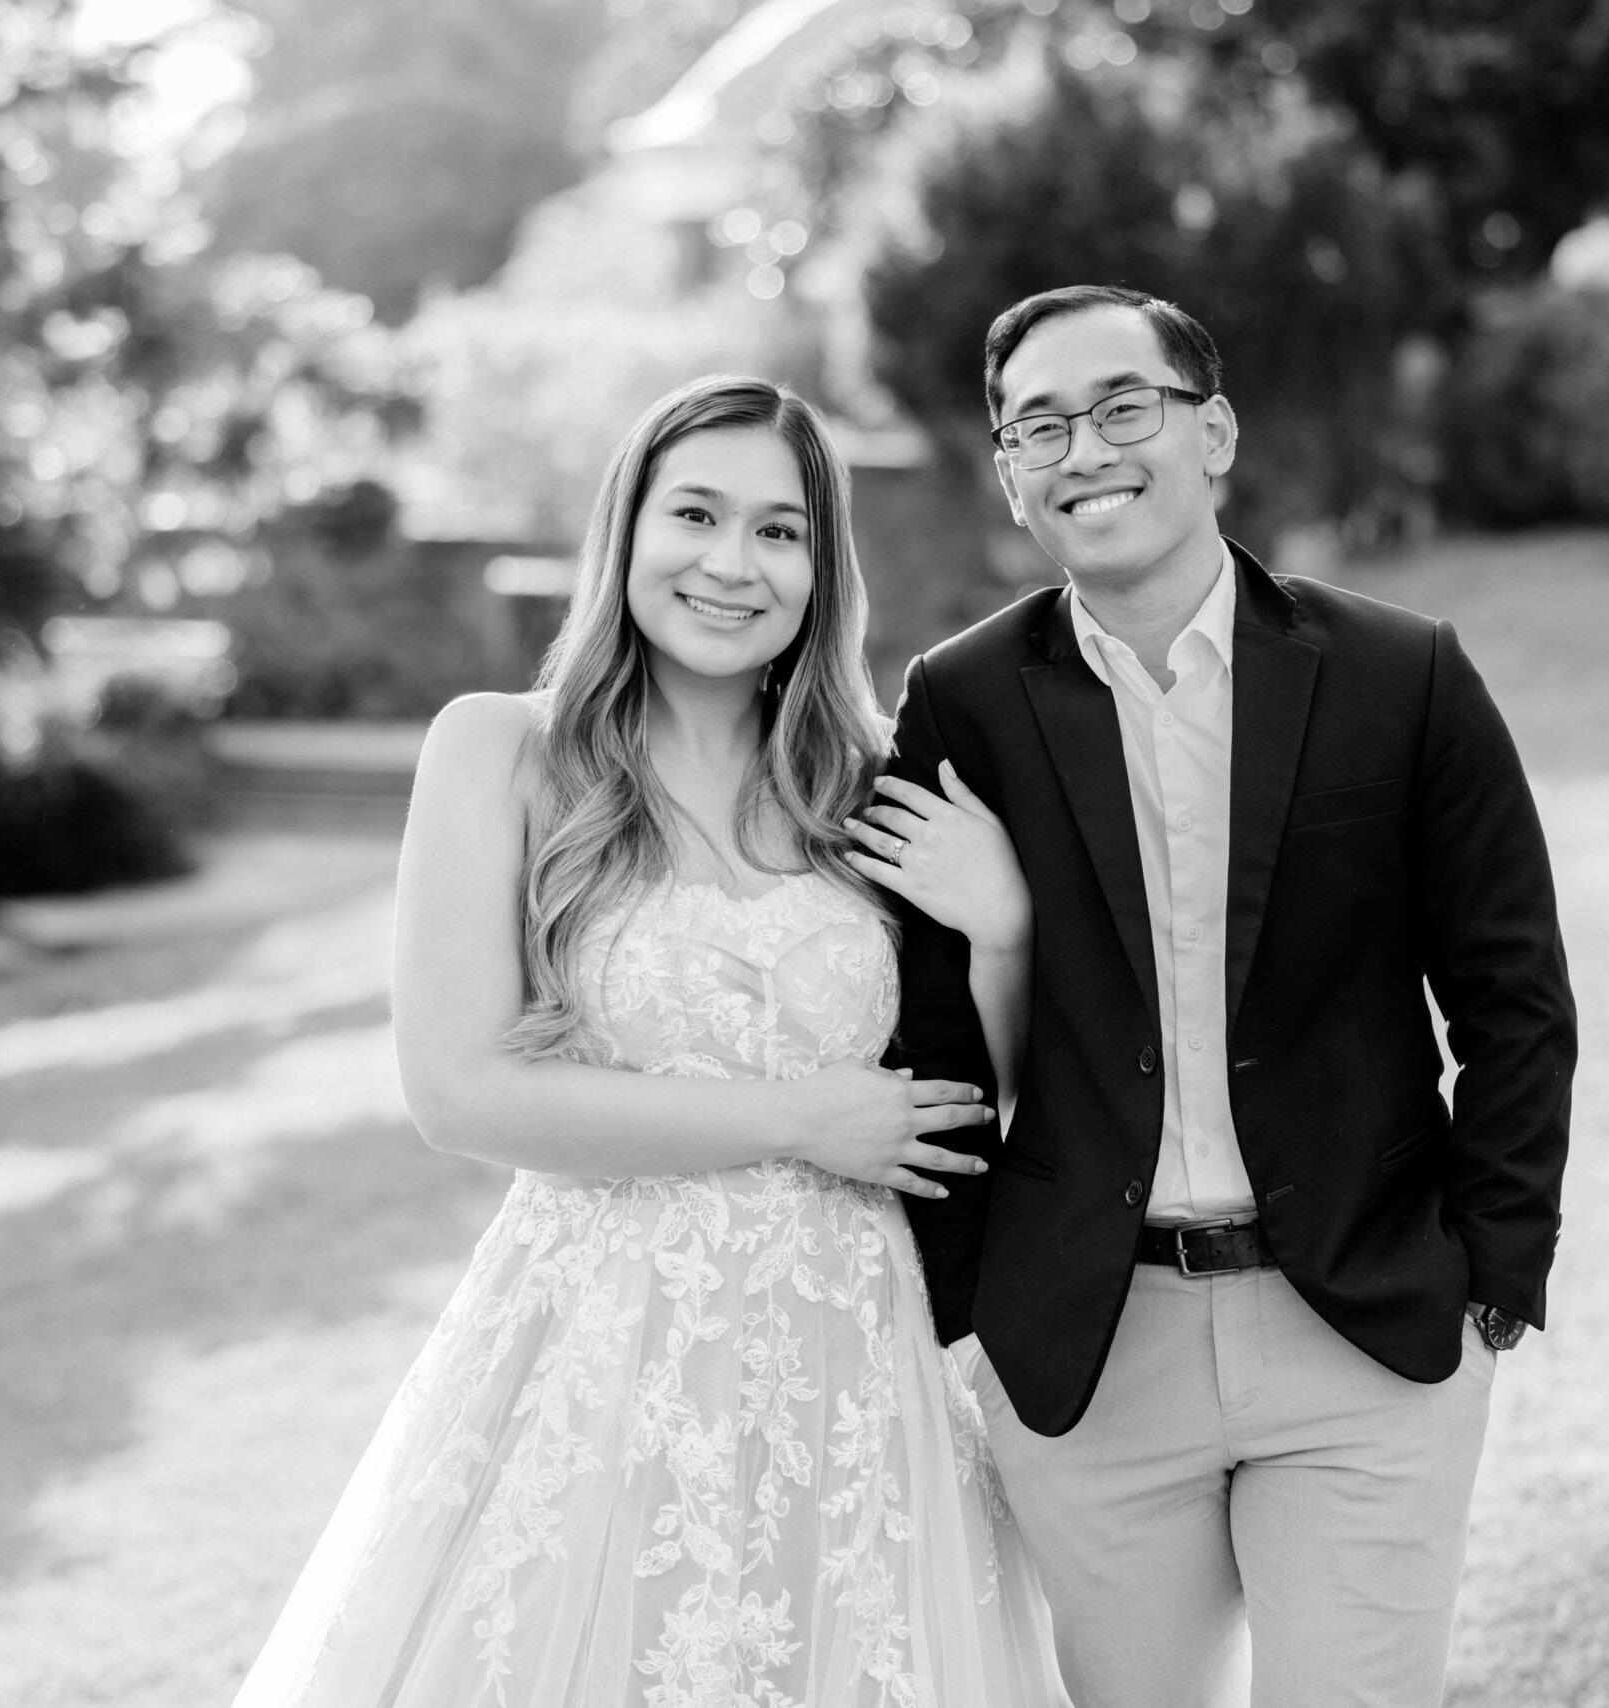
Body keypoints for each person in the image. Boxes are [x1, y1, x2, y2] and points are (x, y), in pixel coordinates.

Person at [230, 375, 1070, 1708]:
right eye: (696, 514)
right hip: (600, 1354)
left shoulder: (872, 792)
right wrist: (799, 1120)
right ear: (625, 530)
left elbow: (990, 1105)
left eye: (780, 531)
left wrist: (1008, 933)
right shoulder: (500, 752)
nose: (733, 563)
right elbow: (456, 1093)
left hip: (853, 1374)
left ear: (821, 568)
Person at [870, 287, 1577, 1708]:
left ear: (1215, 432)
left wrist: (1493, 1279)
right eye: (1040, 428)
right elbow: (928, 1041)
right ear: (1010, 473)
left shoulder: (1402, 674)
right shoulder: (960, 702)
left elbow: (1512, 1000)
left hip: (1367, 1333)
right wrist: (971, 1315)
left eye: (1124, 408)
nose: (1087, 452)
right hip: (1089, 1350)